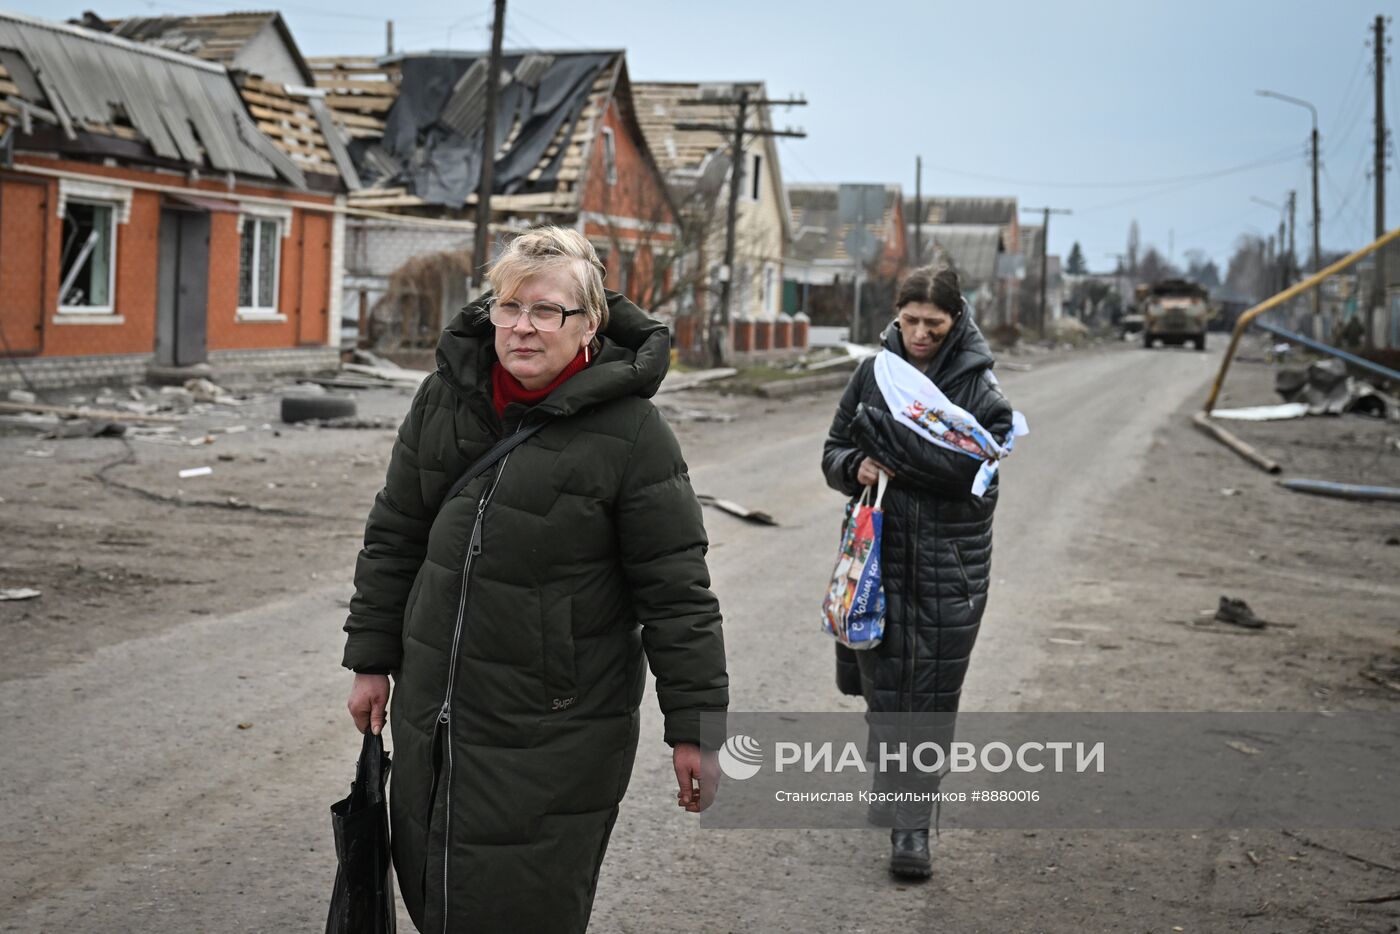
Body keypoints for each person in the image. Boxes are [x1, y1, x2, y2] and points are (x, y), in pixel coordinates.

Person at [343, 226, 728, 933]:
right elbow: (395, 534)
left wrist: (694, 729)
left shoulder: (633, 434)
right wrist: (372, 659)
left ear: (587, 326)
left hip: (556, 727)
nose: (522, 327)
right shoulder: (444, 401)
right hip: (437, 712)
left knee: (526, 905)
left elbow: (676, 593)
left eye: (545, 311)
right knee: (435, 892)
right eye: (508, 307)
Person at [821, 263, 1014, 879]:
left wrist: (902, 453)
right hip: (877, 558)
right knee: (884, 690)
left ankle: (912, 831)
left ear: (957, 320)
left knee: (926, 696)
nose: (920, 334)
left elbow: (976, 479)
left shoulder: (979, 391)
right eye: (910, 321)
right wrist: (859, 466)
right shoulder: (874, 375)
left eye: (934, 323)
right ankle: (891, 785)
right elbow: (832, 452)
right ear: (896, 316)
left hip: (947, 569)